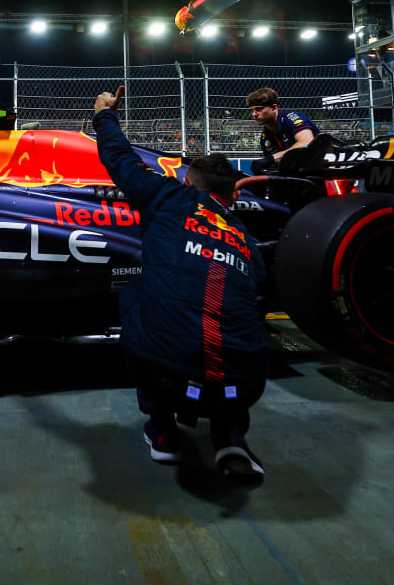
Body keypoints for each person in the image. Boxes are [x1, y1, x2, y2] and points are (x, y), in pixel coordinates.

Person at [93, 87, 269, 479]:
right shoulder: (245, 238)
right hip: (245, 382)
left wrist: (104, 114)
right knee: (230, 315)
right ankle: (230, 435)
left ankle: (163, 430)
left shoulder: (169, 196)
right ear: (232, 196)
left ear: (189, 184)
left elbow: (119, 159)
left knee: (135, 291)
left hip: (166, 372)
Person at [246, 87, 319, 165]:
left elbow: (307, 143)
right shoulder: (265, 136)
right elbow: (276, 162)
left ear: (274, 108)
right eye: (252, 110)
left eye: (259, 109)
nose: (254, 114)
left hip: (320, 165)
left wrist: (273, 158)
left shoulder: (292, 118)